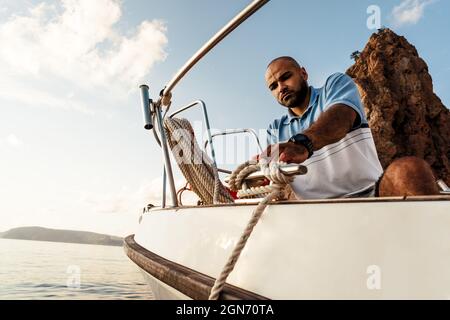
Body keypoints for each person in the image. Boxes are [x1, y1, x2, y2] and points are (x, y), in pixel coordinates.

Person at [260, 56, 439, 199]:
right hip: (314, 212)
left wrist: (302, 143)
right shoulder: (274, 129)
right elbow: (275, 178)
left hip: (371, 194)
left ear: (303, 74)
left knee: (409, 170)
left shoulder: (334, 85)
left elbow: (342, 116)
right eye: (273, 86)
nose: (281, 88)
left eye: (286, 77)